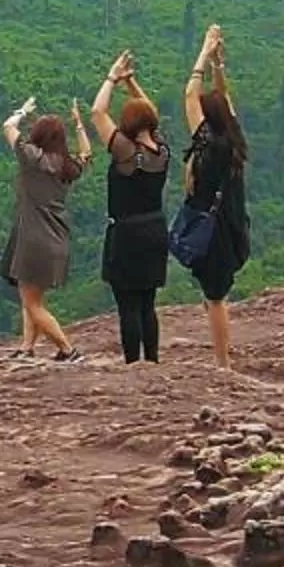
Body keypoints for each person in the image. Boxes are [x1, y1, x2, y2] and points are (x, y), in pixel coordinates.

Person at [91, 50, 171, 363]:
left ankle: (133, 365)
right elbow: (151, 114)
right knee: (147, 304)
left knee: (128, 305)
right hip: (155, 230)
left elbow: (98, 112)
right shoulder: (161, 150)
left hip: (127, 234)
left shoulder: (126, 151)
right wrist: (131, 83)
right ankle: (152, 360)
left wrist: (112, 78)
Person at [180, 24, 252, 368]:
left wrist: (204, 52)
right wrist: (218, 66)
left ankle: (223, 364)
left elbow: (189, 95)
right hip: (234, 224)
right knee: (215, 295)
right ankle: (222, 355)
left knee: (216, 298)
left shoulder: (208, 148)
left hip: (214, 232)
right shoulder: (233, 141)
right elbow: (224, 101)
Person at [0, 92, 91, 360]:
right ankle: (27, 348)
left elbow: (8, 127)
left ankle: (68, 349)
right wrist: (79, 123)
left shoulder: (32, 158)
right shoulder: (67, 167)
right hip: (57, 239)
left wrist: (22, 111)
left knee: (31, 302)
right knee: (32, 297)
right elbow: (87, 154)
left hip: (34, 239)